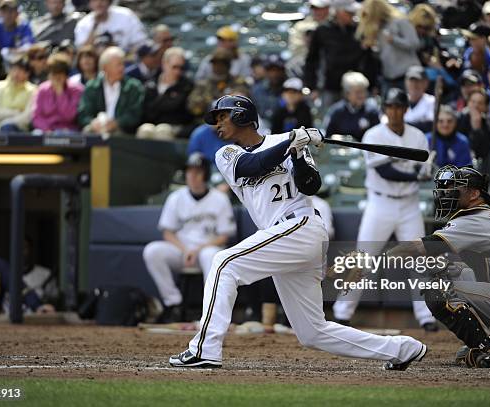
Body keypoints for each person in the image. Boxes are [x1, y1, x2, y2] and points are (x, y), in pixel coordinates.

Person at [169, 94, 427, 370]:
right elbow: (252, 166)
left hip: (301, 227)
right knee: (312, 332)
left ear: (242, 115)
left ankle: (204, 349)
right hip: (283, 238)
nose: (217, 125)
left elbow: (311, 186)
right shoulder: (227, 154)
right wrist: (290, 142)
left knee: (223, 264)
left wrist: (299, 153)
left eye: (222, 117)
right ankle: (400, 349)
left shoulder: (287, 142)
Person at [388, 165, 490, 368]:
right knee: (444, 273)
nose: (446, 193)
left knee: (439, 290)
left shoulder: (475, 219)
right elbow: (481, 266)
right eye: (445, 187)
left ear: (474, 194)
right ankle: (479, 342)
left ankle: (489, 347)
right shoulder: (483, 215)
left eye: (454, 188)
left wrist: (372, 260)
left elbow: (422, 247)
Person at [331, 88, 437, 332]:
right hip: (380, 204)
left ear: (405, 109)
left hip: (409, 205)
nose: (394, 111)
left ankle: (426, 316)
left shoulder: (418, 136)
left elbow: (423, 169)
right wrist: (415, 175)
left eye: (399, 107)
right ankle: (342, 313)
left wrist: (425, 172)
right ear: (385, 109)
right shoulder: (373, 134)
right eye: (390, 107)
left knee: (419, 263)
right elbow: (385, 171)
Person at [143, 153, 236, 323]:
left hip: (207, 249)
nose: (192, 176)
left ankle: (212, 309)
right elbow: (167, 233)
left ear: (206, 175)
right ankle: (173, 303)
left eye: (197, 172)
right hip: (182, 251)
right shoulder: (176, 198)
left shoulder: (220, 198)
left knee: (212, 256)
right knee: (152, 251)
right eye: (189, 171)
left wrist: (197, 250)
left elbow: (224, 236)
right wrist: (186, 250)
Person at [305, 0, 378, 108]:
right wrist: (312, 87)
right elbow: (312, 60)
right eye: (348, 12)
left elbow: (369, 59)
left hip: (356, 86)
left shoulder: (359, 30)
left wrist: (373, 85)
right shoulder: (322, 30)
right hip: (331, 87)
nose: (352, 15)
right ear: (338, 11)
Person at [356, 0, 420, 95]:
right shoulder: (378, 29)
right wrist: (371, 47)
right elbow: (383, 54)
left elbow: (415, 43)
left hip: (407, 76)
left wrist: (394, 40)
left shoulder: (400, 21)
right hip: (389, 78)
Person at [77, 46, 145, 135]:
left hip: (124, 131)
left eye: (122, 64)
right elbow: (83, 114)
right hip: (97, 129)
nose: (122, 68)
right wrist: (93, 123)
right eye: (118, 64)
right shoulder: (92, 87)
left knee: (118, 134)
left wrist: (117, 123)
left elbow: (135, 114)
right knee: (88, 131)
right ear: (105, 68)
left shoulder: (134, 86)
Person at [137, 47, 194, 140]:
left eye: (181, 68)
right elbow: (146, 110)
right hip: (151, 126)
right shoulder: (151, 83)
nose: (178, 71)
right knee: (145, 130)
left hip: (174, 127)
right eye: (175, 67)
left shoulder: (186, 86)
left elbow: (185, 114)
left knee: (163, 130)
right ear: (164, 64)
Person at [187, 48, 249, 120]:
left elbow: (242, 100)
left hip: (233, 121)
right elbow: (192, 107)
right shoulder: (203, 84)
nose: (218, 67)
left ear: (228, 65)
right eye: (215, 63)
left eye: (222, 64)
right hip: (206, 122)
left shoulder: (237, 82)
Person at [32, 53, 84, 133]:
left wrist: (60, 93)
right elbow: (37, 116)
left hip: (68, 130)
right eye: (53, 74)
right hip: (46, 130)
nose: (55, 78)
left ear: (66, 75)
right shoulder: (42, 89)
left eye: (59, 75)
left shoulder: (77, 90)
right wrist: (47, 129)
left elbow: (69, 116)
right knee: (36, 134)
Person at [322, 71, 380, 141]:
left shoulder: (372, 111)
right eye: (357, 92)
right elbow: (328, 136)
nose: (361, 95)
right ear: (347, 94)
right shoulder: (337, 111)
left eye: (363, 91)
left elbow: (377, 136)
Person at [0, 55, 37, 133]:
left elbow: (27, 118)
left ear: (27, 73)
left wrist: (5, 122)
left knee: (7, 128)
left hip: (18, 134)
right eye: (14, 69)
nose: (16, 73)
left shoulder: (33, 90)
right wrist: (16, 112)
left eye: (20, 70)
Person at [74, 0, 147, 52]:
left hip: (126, 60)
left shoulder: (126, 15)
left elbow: (141, 43)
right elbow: (83, 52)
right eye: (95, 0)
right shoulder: (83, 23)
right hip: (96, 65)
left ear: (109, 1)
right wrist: (95, 26)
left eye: (103, 0)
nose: (99, 3)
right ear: (89, 3)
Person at [287, 0, 331, 77]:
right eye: (314, 8)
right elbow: (296, 48)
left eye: (320, 8)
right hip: (306, 60)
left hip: (330, 61)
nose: (317, 11)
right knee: (293, 65)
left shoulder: (334, 25)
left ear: (328, 8)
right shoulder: (301, 26)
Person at [251, 54, 288, 129]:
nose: (274, 74)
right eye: (270, 70)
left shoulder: (290, 89)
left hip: (285, 131)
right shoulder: (256, 90)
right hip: (261, 131)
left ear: (283, 71)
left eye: (278, 70)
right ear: (265, 71)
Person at [404, 65, 435, 133]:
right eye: (411, 80)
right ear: (406, 82)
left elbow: (430, 125)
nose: (414, 84)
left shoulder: (432, 101)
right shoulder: (400, 100)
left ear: (426, 83)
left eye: (418, 81)